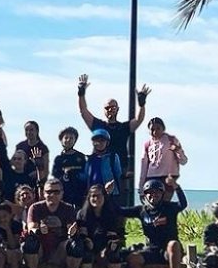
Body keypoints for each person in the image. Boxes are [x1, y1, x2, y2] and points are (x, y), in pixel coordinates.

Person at [77, 74, 150, 202]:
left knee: (120, 205)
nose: (110, 110)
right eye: (107, 108)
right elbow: (83, 111)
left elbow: (139, 120)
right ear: (104, 110)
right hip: (100, 168)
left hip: (121, 171)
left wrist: (142, 104)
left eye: (113, 107)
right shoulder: (98, 125)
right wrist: (81, 93)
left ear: (117, 109)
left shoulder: (123, 127)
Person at [121, 177, 188, 268]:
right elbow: (119, 210)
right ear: (145, 195)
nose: (153, 195)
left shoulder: (169, 208)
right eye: (150, 193)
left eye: (157, 192)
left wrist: (177, 187)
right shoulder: (141, 210)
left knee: (173, 244)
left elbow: (183, 204)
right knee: (133, 258)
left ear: (162, 194)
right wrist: (106, 194)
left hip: (169, 252)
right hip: (152, 250)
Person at [23, 177, 78, 268]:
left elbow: (72, 230)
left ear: (62, 193)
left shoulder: (68, 208)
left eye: (56, 192)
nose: (52, 195)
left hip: (60, 249)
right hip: (41, 247)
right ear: (43, 193)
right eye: (48, 192)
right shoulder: (35, 208)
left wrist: (70, 230)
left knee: (76, 246)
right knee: (30, 243)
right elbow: (31, 227)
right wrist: (38, 230)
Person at [74, 183, 127, 268]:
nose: (95, 199)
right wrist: (88, 242)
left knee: (114, 255)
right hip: (90, 243)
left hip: (107, 243)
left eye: (98, 196)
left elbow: (114, 235)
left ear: (104, 197)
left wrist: (107, 248)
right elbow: (82, 234)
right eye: (92, 196)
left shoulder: (111, 214)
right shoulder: (82, 214)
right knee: (86, 255)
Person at [138, 117, 187, 190]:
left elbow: (183, 161)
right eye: (152, 129)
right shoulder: (147, 144)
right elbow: (144, 166)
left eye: (158, 128)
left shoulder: (171, 140)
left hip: (168, 177)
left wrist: (178, 150)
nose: (155, 132)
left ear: (163, 129)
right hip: (151, 177)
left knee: (165, 200)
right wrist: (141, 186)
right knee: (154, 199)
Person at [51, 127, 88, 210]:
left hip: (79, 193)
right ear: (61, 140)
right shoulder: (59, 159)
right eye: (66, 138)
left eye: (71, 138)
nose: (68, 140)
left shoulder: (81, 157)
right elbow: (56, 176)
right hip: (64, 194)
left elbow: (86, 175)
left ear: (75, 140)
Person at [85, 129, 124, 199]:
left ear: (107, 143)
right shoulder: (89, 159)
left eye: (102, 140)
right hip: (94, 194)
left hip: (110, 194)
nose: (99, 143)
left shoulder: (113, 157)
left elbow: (118, 175)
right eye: (97, 140)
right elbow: (86, 176)